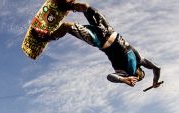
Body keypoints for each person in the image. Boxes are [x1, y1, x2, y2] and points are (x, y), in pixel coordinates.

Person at [33, 1, 161, 89]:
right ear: (141, 69)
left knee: (67, 26)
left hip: (99, 40)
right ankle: (68, 6)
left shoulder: (124, 73)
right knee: (85, 6)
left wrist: (124, 80)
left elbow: (109, 77)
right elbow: (157, 68)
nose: (139, 75)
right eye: (141, 74)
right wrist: (154, 82)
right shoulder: (139, 60)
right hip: (108, 29)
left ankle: (48, 37)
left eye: (138, 77)